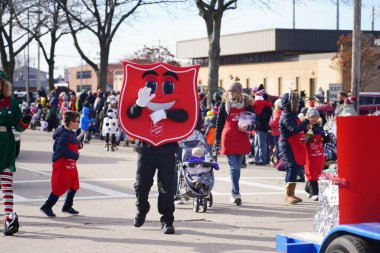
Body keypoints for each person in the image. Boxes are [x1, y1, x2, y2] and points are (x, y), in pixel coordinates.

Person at [127, 87, 186, 234]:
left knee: (167, 187)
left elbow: (186, 115)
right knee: (141, 184)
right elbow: (129, 115)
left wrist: (166, 113)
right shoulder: (144, 95)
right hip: (146, 149)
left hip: (167, 150)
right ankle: (142, 209)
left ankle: (167, 220)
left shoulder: (172, 96)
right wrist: (139, 105)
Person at [214, 79, 255, 205]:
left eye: (234, 91)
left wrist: (252, 125)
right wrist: (216, 140)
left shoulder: (246, 104)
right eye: (230, 91)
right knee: (234, 167)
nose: (231, 93)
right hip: (229, 137)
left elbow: (254, 119)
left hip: (242, 137)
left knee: (238, 167)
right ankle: (235, 193)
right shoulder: (225, 104)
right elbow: (219, 123)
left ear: (239, 92)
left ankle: (234, 190)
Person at [0, 70, 31, 235]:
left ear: (3, 85)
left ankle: (8, 217)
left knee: (6, 183)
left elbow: (19, 126)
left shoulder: (11, 102)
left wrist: (24, 122)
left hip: (6, 144)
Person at [40, 110, 83, 217]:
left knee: (74, 185)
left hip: (70, 165)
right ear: (71, 122)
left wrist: (78, 144)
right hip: (62, 165)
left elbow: (71, 143)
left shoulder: (69, 132)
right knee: (58, 187)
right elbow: (60, 150)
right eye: (77, 121)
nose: (78, 123)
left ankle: (67, 206)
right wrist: (75, 155)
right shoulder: (64, 134)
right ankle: (46, 207)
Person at [279, 91, 310, 204]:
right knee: (291, 166)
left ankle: (291, 193)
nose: (297, 104)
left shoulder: (292, 114)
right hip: (286, 144)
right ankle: (288, 195)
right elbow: (294, 129)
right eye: (295, 102)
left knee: (295, 166)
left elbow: (299, 129)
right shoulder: (286, 115)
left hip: (293, 143)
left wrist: (306, 126)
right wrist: (306, 121)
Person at [304, 108, 325, 201]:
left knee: (318, 172)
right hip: (310, 154)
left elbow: (323, 138)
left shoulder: (319, 127)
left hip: (319, 153)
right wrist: (308, 135)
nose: (314, 119)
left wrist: (328, 137)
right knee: (311, 172)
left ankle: (307, 188)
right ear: (308, 117)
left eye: (316, 117)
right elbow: (303, 141)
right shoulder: (306, 127)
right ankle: (314, 193)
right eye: (312, 117)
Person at [252, 89, 272, 165]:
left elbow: (265, 117)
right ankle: (257, 158)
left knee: (261, 144)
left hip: (262, 127)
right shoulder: (264, 106)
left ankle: (262, 159)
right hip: (258, 127)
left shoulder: (266, 107)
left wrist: (258, 115)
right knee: (256, 144)